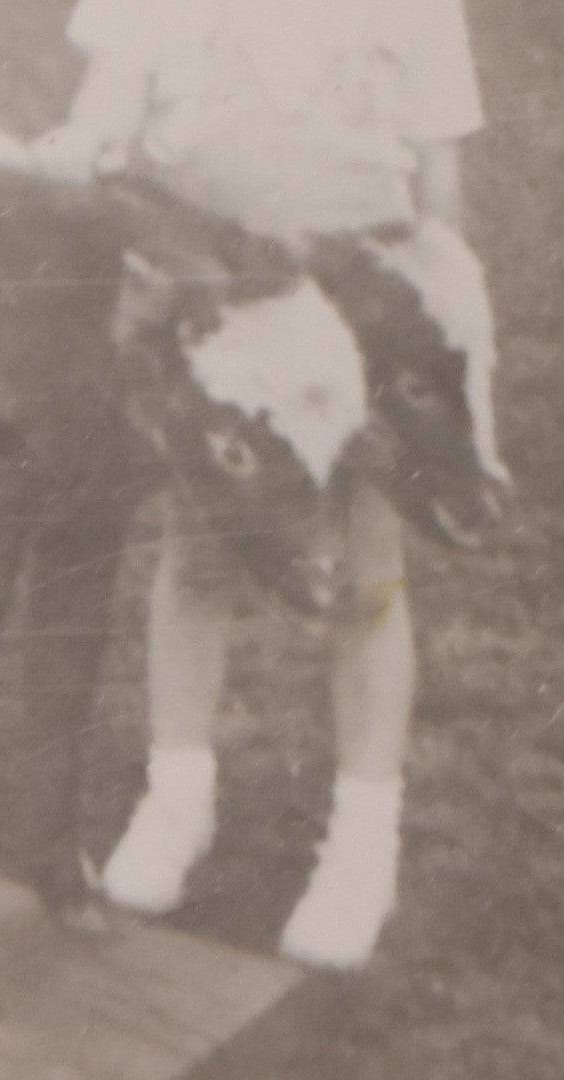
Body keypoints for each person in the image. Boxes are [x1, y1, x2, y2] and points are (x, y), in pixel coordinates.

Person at [33, 0, 508, 966]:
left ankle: (362, 838)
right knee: (200, 549)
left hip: (361, 300)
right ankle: (177, 799)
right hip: (217, 297)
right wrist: (89, 146)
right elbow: (108, 109)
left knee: (365, 573)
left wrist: (426, 320)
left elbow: (439, 184)